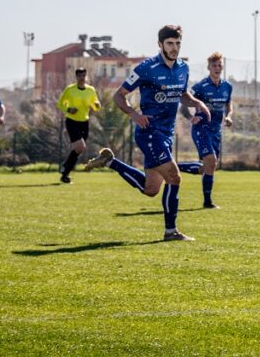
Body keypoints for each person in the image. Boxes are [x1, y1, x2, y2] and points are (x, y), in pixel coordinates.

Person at [86, 25, 210, 242]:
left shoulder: (183, 68)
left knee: (150, 189)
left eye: (177, 43)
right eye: (170, 43)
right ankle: (171, 231)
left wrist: (197, 103)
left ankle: (110, 162)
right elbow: (119, 95)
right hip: (149, 132)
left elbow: (182, 95)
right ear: (160, 44)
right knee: (174, 177)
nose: (174, 48)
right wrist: (134, 115)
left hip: (166, 134)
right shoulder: (146, 67)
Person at [184, 52, 234, 209]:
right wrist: (191, 118)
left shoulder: (227, 86)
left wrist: (229, 116)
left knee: (207, 167)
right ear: (208, 67)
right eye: (214, 65)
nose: (217, 68)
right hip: (201, 129)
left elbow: (228, 105)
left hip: (216, 131)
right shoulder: (200, 87)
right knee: (211, 161)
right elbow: (183, 104)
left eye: (220, 65)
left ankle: (173, 166)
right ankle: (207, 202)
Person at [56, 68, 101, 184]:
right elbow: (60, 104)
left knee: (78, 149)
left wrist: (97, 105)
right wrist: (68, 109)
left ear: (86, 76)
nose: (82, 78)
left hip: (84, 122)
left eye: (83, 76)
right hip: (72, 121)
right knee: (80, 147)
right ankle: (66, 167)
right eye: (79, 76)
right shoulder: (70, 89)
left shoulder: (91, 90)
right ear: (76, 77)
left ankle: (65, 173)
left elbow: (95, 106)